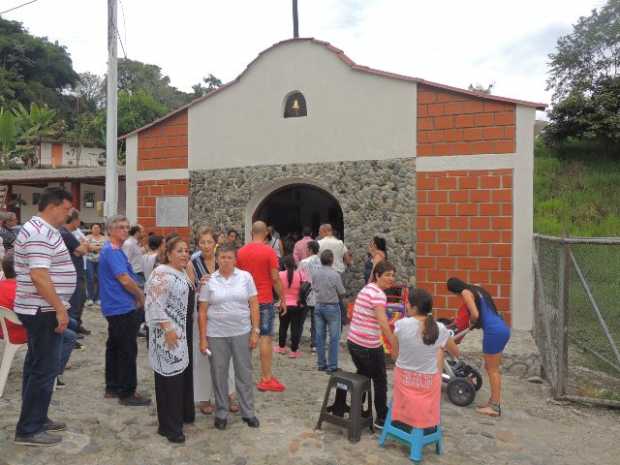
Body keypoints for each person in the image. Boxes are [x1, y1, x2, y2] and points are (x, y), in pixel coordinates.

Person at [12, 187, 75, 446]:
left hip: (41, 308)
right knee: (44, 370)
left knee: (37, 366)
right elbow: (39, 276)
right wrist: (60, 309)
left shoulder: (43, 229)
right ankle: (29, 429)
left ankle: (36, 416)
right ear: (53, 206)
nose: (68, 214)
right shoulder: (39, 232)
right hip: (43, 310)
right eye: (66, 209)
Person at [198, 244, 260, 430]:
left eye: (229, 257)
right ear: (217, 259)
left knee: (244, 373)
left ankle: (248, 412)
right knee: (219, 374)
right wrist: (202, 338)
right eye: (222, 257)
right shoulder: (209, 281)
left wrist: (255, 331)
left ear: (235, 259)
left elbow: (254, 304)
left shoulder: (245, 277)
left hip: (242, 331)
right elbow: (202, 311)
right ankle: (222, 412)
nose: (225, 261)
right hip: (216, 335)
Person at [145, 236, 195, 443]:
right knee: (169, 380)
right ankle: (170, 428)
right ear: (169, 253)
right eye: (179, 251)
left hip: (182, 332)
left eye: (186, 251)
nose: (184, 254)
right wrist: (167, 328)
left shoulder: (181, 272)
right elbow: (154, 302)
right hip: (168, 334)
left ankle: (178, 418)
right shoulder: (161, 274)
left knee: (178, 378)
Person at [98, 215, 151, 406]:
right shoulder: (112, 251)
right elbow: (124, 279)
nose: (125, 230)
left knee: (114, 347)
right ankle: (127, 392)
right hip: (121, 307)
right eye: (120, 227)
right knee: (127, 349)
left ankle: (112, 386)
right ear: (110, 230)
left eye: (127, 227)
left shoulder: (114, 250)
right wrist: (140, 296)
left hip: (114, 306)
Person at [390, 288, 459, 430]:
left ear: (414, 307)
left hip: (403, 380)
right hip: (428, 384)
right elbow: (456, 353)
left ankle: (404, 418)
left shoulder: (400, 325)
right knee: (439, 349)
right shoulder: (440, 328)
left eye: (408, 303)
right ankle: (425, 422)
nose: (406, 306)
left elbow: (394, 355)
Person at [186, 227, 238, 416]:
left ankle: (229, 394)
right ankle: (203, 397)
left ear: (215, 243)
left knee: (227, 356)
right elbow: (189, 289)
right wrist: (199, 286)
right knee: (202, 356)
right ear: (198, 244)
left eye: (209, 242)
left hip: (224, 314)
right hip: (202, 314)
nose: (206, 246)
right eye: (202, 242)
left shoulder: (222, 260)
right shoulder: (193, 262)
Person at [342, 260, 397, 429]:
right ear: (377, 275)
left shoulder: (367, 288)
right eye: (387, 275)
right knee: (380, 380)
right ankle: (381, 418)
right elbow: (382, 323)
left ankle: (357, 410)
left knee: (364, 376)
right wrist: (394, 345)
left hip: (353, 342)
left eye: (393, 275)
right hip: (368, 346)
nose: (391, 278)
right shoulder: (379, 295)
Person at [447, 277, 510, 417]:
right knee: (492, 368)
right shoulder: (478, 290)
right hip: (502, 328)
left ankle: (495, 407)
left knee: (492, 370)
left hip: (493, 332)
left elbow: (475, 314)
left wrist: (471, 322)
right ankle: (492, 402)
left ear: (454, 290)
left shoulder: (465, 292)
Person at [237, 221, 286, 392]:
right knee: (265, 337)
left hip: (244, 301)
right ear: (266, 233)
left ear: (251, 233)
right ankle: (266, 377)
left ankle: (242, 378)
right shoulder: (269, 251)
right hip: (264, 299)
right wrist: (283, 298)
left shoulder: (241, 252)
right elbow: (274, 278)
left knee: (244, 338)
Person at [311, 250, 346, 373]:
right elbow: (342, 292)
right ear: (331, 260)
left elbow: (314, 287)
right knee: (334, 337)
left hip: (319, 305)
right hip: (332, 306)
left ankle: (321, 364)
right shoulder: (335, 275)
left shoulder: (315, 274)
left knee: (320, 337)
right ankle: (332, 366)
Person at [59, 209, 90, 336]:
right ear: (75, 220)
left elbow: (79, 250)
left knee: (81, 298)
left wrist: (82, 248)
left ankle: (77, 325)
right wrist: (85, 244)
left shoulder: (66, 232)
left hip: (76, 269)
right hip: (73, 272)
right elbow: (81, 250)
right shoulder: (65, 233)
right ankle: (71, 330)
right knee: (75, 301)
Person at [275, 255, 306, 358]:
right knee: (295, 328)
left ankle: (281, 347)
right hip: (297, 305)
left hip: (283, 305)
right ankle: (294, 351)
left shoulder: (279, 274)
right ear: (294, 264)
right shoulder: (300, 274)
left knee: (283, 326)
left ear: (284, 265)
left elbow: (276, 288)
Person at [299, 240, 321, 352]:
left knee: (300, 319)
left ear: (310, 249)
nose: (306, 250)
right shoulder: (322, 262)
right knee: (315, 320)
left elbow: (299, 278)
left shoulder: (304, 262)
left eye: (307, 248)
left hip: (306, 293)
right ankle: (315, 344)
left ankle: (296, 340)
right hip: (318, 294)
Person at [85, 223, 105, 305]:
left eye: (98, 228)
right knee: (90, 278)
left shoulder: (104, 238)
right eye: (94, 228)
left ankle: (98, 298)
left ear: (100, 229)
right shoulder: (88, 237)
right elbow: (86, 247)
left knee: (100, 279)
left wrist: (93, 247)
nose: (96, 229)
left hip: (101, 261)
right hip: (90, 260)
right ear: (91, 229)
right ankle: (90, 298)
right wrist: (99, 247)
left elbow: (105, 248)